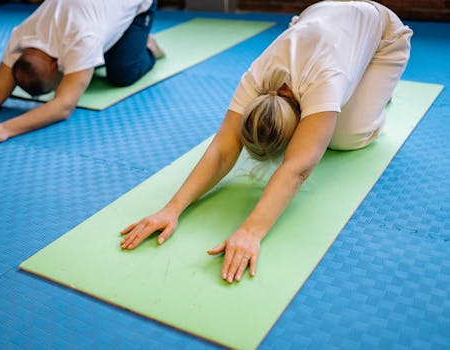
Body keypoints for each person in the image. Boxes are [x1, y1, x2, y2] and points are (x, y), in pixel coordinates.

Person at [120, 1, 412, 283]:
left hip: (382, 35)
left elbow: (296, 168)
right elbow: (223, 149)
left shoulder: (324, 82)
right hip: (319, 17)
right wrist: (172, 208)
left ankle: (377, 95)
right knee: (325, 125)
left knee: (344, 138)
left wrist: (251, 231)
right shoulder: (255, 79)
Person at [0, 0, 164, 153]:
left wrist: (2, 130)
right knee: (90, 60)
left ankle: (148, 47)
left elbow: (62, 107)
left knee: (122, 74)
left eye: (59, 75)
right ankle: (112, 46)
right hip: (96, 15)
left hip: (136, 5)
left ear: (53, 66)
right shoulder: (21, 36)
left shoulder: (83, 39)